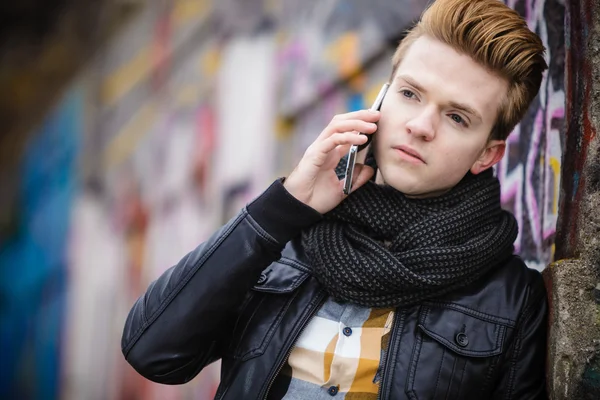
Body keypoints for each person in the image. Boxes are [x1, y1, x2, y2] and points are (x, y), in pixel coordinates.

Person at [121, 0, 549, 398]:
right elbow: (153, 352)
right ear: (381, 98)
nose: (420, 125)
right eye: (409, 94)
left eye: (456, 117)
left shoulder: (511, 299)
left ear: (486, 155)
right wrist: (285, 206)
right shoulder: (284, 240)